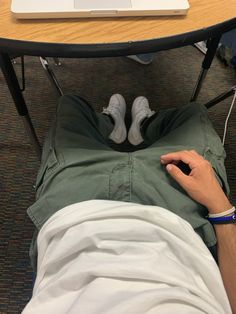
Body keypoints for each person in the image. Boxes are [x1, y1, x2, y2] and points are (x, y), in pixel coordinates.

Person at [22, 94, 235, 313]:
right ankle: (143, 126)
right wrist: (220, 207)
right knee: (192, 113)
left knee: (71, 106)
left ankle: (112, 124)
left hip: (72, 212)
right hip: (181, 215)